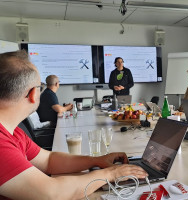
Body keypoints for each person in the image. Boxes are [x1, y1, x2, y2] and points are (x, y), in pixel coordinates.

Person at [0, 50, 148, 199]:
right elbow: (52, 193)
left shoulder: (14, 133)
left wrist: (97, 160)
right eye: (40, 87)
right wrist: (112, 173)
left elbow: (48, 160)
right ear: (32, 94)